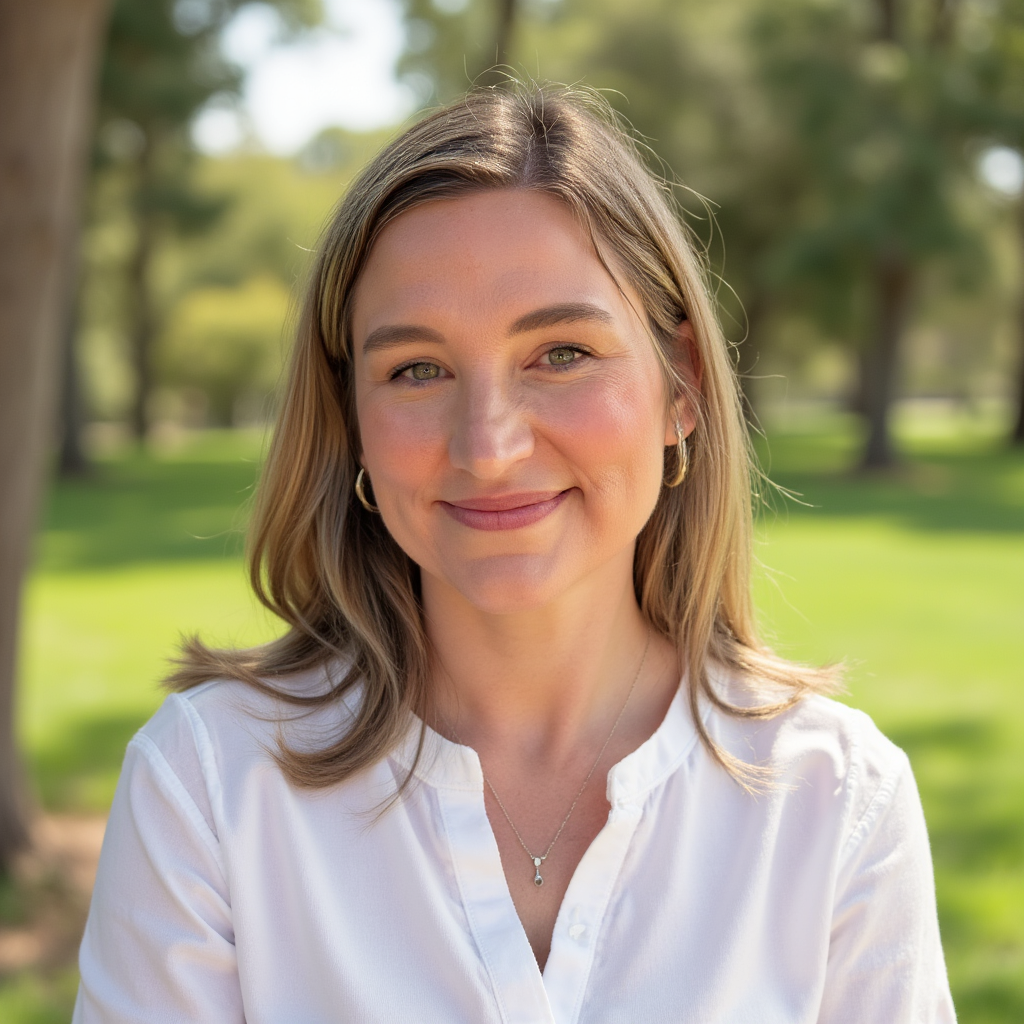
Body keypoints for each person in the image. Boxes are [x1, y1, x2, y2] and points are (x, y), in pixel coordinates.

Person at [73, 85, 956, 1023]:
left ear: (682, 387)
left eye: (562, 353)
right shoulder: (210, 784)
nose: (488, 445)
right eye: (417, 370)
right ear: (352, 422)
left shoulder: (835, 801)